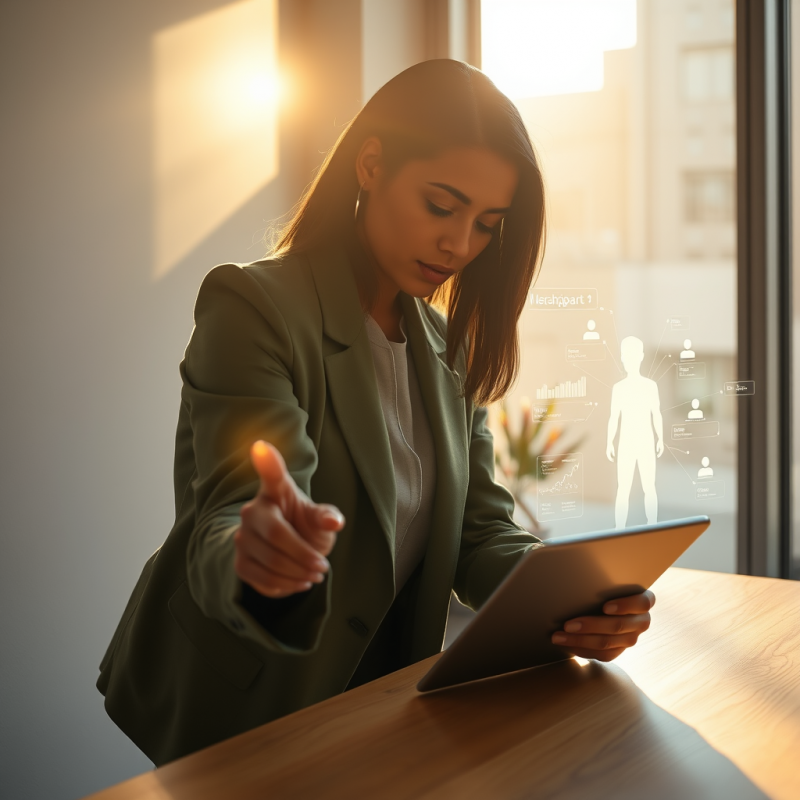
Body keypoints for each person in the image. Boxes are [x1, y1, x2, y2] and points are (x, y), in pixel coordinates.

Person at [96, 59, 655, 767]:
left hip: (378, 707)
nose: (461, 245)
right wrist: (258, 553)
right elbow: (233, 511)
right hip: (247, 703)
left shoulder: (445, 348)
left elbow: (479, 531)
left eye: (487, 224)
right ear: (370, 165)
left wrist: (570, 598)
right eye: (441, 205)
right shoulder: (255, 306)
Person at [606, 336, 664, 527]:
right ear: (622, 357)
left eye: (632, 355)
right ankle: (619, 528)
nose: (628, 359)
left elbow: (656, 414)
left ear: (641, 357)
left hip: (644, 443)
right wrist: (609, 442)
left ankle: (652, 524)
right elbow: (614, 417)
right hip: (627, 444)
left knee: (648, 487)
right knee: (624, 489)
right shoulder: (619, 388)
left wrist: (660, 438)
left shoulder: (649, 386)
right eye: (626, 355)